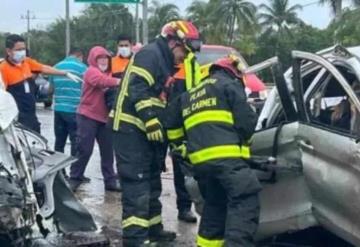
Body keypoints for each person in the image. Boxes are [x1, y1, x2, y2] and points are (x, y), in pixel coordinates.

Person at [110, 20, 202, 246]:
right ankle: (135, 239)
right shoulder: (150, 54)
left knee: (152, 181)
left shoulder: (164, 61)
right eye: (184, 50)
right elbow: (137, 87)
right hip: (130, 130)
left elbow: (162, 101)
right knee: (137, 184)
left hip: (144, 133)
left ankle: (153, 229)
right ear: (173, 42)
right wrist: (151, 120)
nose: (184, 57)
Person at [164, 55, 262, 247]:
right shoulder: (229, 85)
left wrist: (182, 148)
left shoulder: (190, 94)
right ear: (233, 73)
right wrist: (246, 144)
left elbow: (171, 124)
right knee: (245, 199)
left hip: (201, 166)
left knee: (214, 208)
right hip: (228, 161)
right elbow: (247, 123)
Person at [0, 34, 82, 133]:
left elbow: (43, 68)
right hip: (16, 118)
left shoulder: (27, 62)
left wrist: (65, 73)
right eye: (18, 49)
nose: (22, 52)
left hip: (31, 116)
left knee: (37, 144)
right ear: (9, 51)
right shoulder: (3, 69)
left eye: (23, 49)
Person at [68, 46, 121, 192]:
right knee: (84, 149)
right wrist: (120, 82)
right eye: (100, 58)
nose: (103, 61)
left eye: (105, 58)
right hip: (87, 116)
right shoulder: (91, 71)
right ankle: (75, 177)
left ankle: (110, 181)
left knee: (108, 151)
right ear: (93, 59)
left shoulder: (109, 73)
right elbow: (101, 81)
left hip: (104, 118)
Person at [168, 52, 202, 223]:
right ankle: (149, 214)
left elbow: (196, 88)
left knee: (182, 165)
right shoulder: (158, 59)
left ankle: (184, 207)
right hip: (157, 118)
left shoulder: (191, 62)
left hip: (181, 122)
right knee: (150, 168)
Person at [50, 47, 87, 158]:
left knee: (59, 142)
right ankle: (74, 172)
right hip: (74, 110)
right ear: (80, 56)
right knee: (75, 141)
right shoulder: (83, 68)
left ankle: (59, 173)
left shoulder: (56, 67)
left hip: (58, 110)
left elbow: (50, 89)